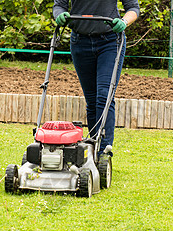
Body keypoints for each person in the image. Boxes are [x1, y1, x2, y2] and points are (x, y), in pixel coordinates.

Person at [53, 0, 140, 157]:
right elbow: (59, 6)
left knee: (104, 96)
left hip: (110, 41)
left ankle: (104, 150)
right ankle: (94, 147)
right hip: (80, 42)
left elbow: (133, 8)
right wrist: (59, 15)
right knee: (92, 100)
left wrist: (124, 22)